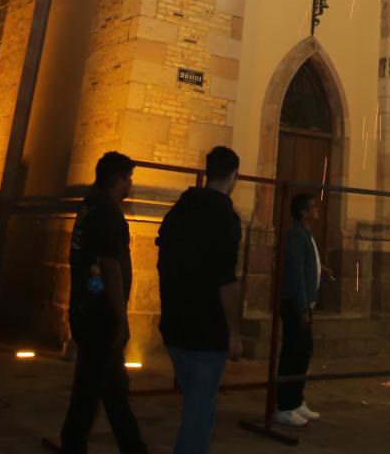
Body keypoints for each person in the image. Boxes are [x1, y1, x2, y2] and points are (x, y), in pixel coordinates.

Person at [49, 152, 147, 454]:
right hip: (101, 314)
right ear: (118, 179)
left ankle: (129, 446)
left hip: (85, 307)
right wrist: (121, 317)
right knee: (91, 389)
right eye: (128, 178)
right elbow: (109, 266)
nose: (130, 185)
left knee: (109, 387)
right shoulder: (107, 212)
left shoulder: (88, 207)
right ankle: (74, 442)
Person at [157, 146, 244, 454]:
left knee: (199, 405)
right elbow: (226, 281)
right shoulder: (225, 218)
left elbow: (164, 263)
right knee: (199, 411)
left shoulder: (178, 212)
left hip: (174, 325)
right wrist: (234, 333)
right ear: (234, 175)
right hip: (207, 332)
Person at [275, 193, 325, 427]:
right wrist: (302, 309)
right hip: (296, 305)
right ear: (303, 212)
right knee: (293, 355)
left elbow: (306, 264)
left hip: (304, 303)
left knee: (303, 353)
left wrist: (320, 269)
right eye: (313, 207)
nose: (317, 210)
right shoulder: (295, 235)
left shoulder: (305, 233)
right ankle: (285, 406)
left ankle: (296, 400)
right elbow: (295, 274)